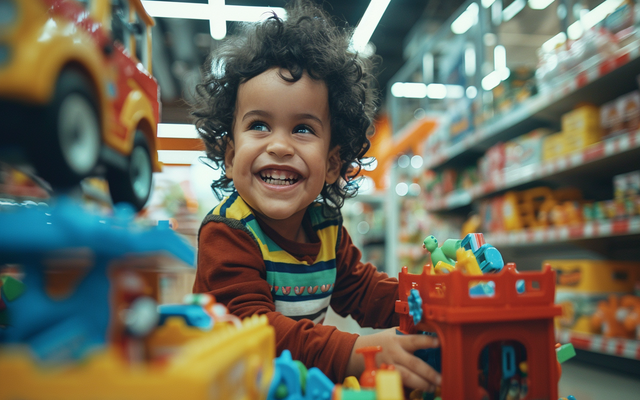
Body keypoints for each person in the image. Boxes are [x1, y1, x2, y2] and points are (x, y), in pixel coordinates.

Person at [191, 0, 441, 391]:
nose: (279, 146)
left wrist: (434, 297)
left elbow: (365, 292)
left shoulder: (325, 229)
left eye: (303, 129)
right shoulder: (227, 234)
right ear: (231, 154)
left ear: (331, 164)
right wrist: (359, 352)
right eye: (259, 125)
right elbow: (257, 332)